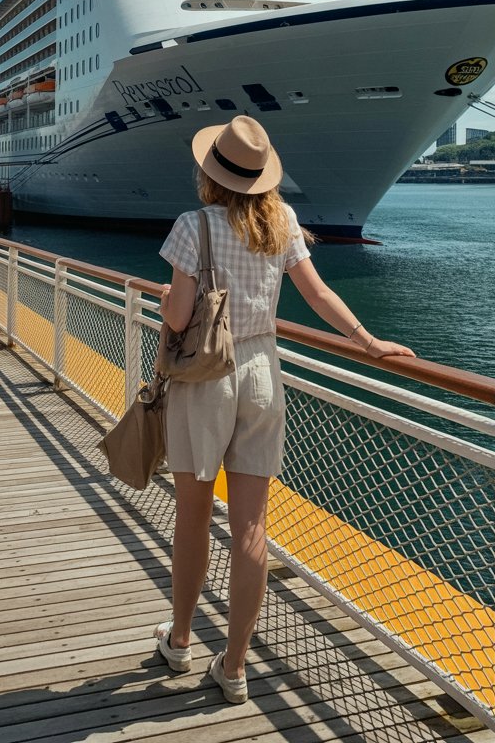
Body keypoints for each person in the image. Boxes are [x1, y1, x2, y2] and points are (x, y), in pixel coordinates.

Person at [155, 114, 414, 704]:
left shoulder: (193, 226)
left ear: (211, 172)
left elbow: (177, 318)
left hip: (206, 380)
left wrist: (169, 295)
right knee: (251, 527)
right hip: (263, 375)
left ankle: (178, 640)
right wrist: (368, 341)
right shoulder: (283, 222)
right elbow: (317, 293)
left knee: (193, 517)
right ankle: (237, 666)